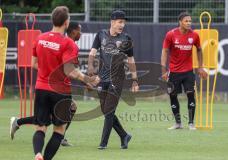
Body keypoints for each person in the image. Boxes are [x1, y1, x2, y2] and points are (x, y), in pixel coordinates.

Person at [17, 6, 99, 160]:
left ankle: (38, 154)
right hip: (60, 91)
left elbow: (33, 64)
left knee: (40, 127)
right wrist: (88, 80)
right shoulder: (68, 44)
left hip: (41, 88)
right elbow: (70, 71)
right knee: (59, 129)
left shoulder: (40, 38)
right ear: (66, 22)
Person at [10, 22, 82, 147]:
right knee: (46, 118)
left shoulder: (63, 42)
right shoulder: (70, 45)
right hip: (55, 88)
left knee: (70, 108)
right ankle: (18, 122)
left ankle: (19, 122)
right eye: (80, 30)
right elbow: (69, 70)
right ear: (74, 31)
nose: (81, 33)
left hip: (51, 86)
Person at [88, 10, 139, 150]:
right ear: (112, 22)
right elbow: (92, 52)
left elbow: (131, 60)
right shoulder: (101, 35)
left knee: (109, 111)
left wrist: (135, 79)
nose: (122, 25)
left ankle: (103, 143)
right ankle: (124, 135)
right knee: (106, 110)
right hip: (102, 77)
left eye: (124, 22)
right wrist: (90, 67)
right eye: (120, 22)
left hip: (117, 78)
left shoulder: (126, 38)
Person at [161, 12, 207, 130]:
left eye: (190, 21)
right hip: (174, 72)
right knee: (173, 95)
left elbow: (199, 50)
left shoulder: (194, 36)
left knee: (190, 94)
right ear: (180, 22)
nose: (189, 23)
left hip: (188, 72)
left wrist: (200, 67)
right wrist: (163, 70)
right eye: (186, 21)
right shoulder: (171, 34)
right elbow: (165, 51)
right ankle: (178, 123)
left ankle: (191, 123)